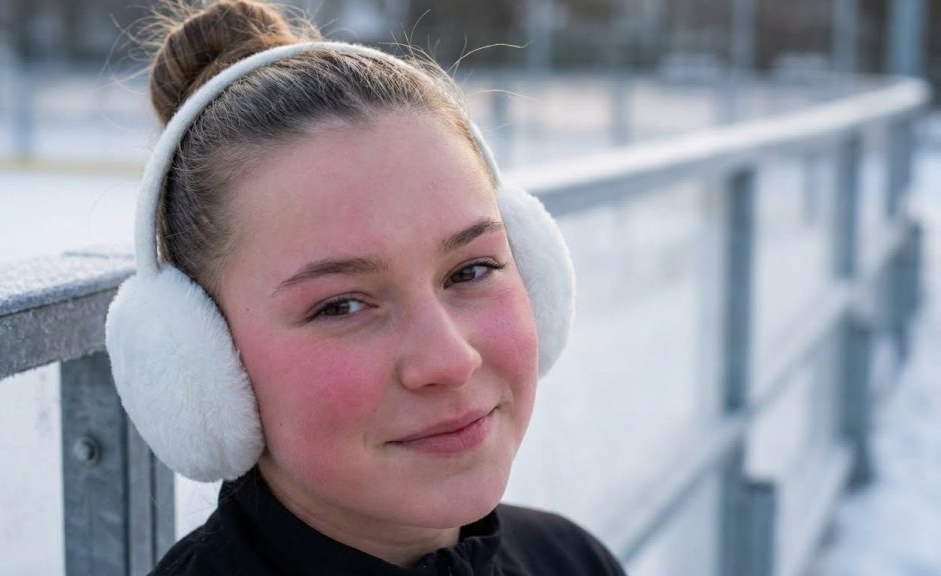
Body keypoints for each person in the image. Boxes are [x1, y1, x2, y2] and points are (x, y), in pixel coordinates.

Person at [104, 1, 627, 574]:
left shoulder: (571, 559)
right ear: (202, 366)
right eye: (341, 305)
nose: (450, 359)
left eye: (471, 270)